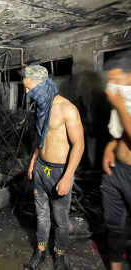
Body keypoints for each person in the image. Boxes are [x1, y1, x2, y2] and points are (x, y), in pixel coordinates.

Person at [21, 65, 84, 270]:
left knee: (60, 218)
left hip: (59, 172)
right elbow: (41, 137)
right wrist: (33, 161)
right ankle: (40, 252)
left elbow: (79, 145)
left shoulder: (67, 109)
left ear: (42, 84)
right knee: (41, 215)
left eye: (29, 88)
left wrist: (67, 178)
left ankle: (59, 255)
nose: (27, 92)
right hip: (41, 168)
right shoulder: (41, 105)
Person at [102, 51, 131, 270]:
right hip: (116, 170)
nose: (110, 85)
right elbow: (120, 130)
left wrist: (119, 105)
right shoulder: (124, 100)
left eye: (115, 79)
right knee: (114, 226)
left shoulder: (123, 102)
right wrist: (111, 147)